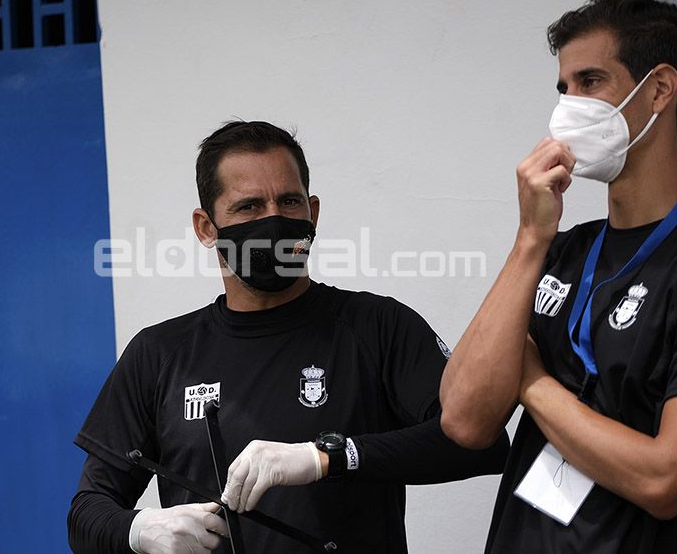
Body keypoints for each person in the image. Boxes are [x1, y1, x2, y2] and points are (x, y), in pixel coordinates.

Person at [439, 0, 677, 553]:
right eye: (563, 88)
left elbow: (666, 479)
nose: (567, 108)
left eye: (590, 81)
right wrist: (529, 239)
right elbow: (464, 419)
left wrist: (533, 383)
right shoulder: (561, 250)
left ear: (659, 89)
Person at [68, 120, 509, 554]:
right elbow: (87, 513)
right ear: (206, 227)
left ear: (313, 212)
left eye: (289, 201)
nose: (274, 220)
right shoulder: (159, 353)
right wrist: (139, 529)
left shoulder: (378, 326)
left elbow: (480, 446)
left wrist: (330, 457)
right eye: (249, 207)